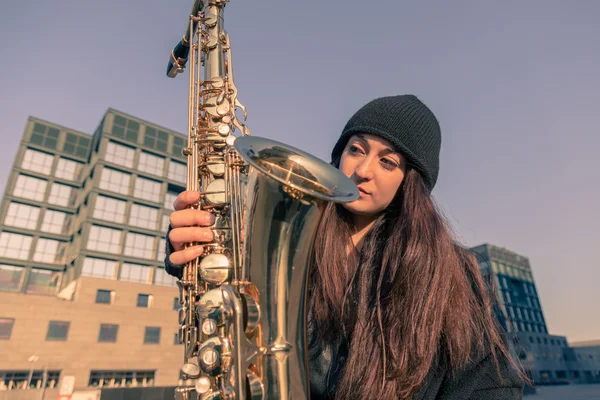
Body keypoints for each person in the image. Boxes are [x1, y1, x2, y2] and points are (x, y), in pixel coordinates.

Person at [164, 95, 528, 399]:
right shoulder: (286, 239)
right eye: (357, 149)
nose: (363, 169)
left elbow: (492, 388)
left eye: (388, 161)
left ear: (410, 184)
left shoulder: (451, 273)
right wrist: (196, 255)